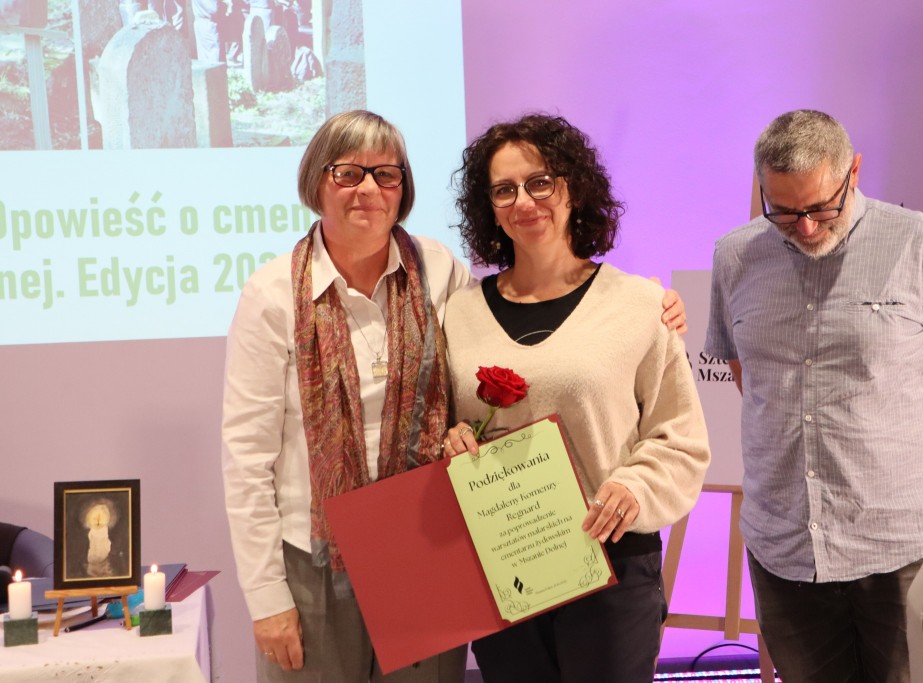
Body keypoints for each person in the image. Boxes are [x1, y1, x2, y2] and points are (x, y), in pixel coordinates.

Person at [221, 110, 686, 682]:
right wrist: (266, 597)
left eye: (386, 174)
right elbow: (247, 458)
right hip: (317, 560)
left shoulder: (438, 272)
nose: (368, 189)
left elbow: (474, 384)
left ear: (403, 189)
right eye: (347, 173)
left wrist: (653, 306)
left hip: (428, 549)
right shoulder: (272, 295)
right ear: (316, 182)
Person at [704, 109, 923, 682]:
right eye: (783, 211)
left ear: (854, 172)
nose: (805, 227)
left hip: (903, 544)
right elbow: (751, 376)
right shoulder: (734, 256)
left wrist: (915, 470)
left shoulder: (920, 242)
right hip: (785, 546)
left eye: (820, 207)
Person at [442, 113, 711, 683]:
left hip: (609, 561)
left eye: (540, 182)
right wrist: (453, 437)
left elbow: (680, 437)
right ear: (489, 207)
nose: (524, 201)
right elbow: (445, 419)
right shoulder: (457, 314)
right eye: (504, 189)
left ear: (574, 188)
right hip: (505, 561)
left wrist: (634, 487)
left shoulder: (639, 305)